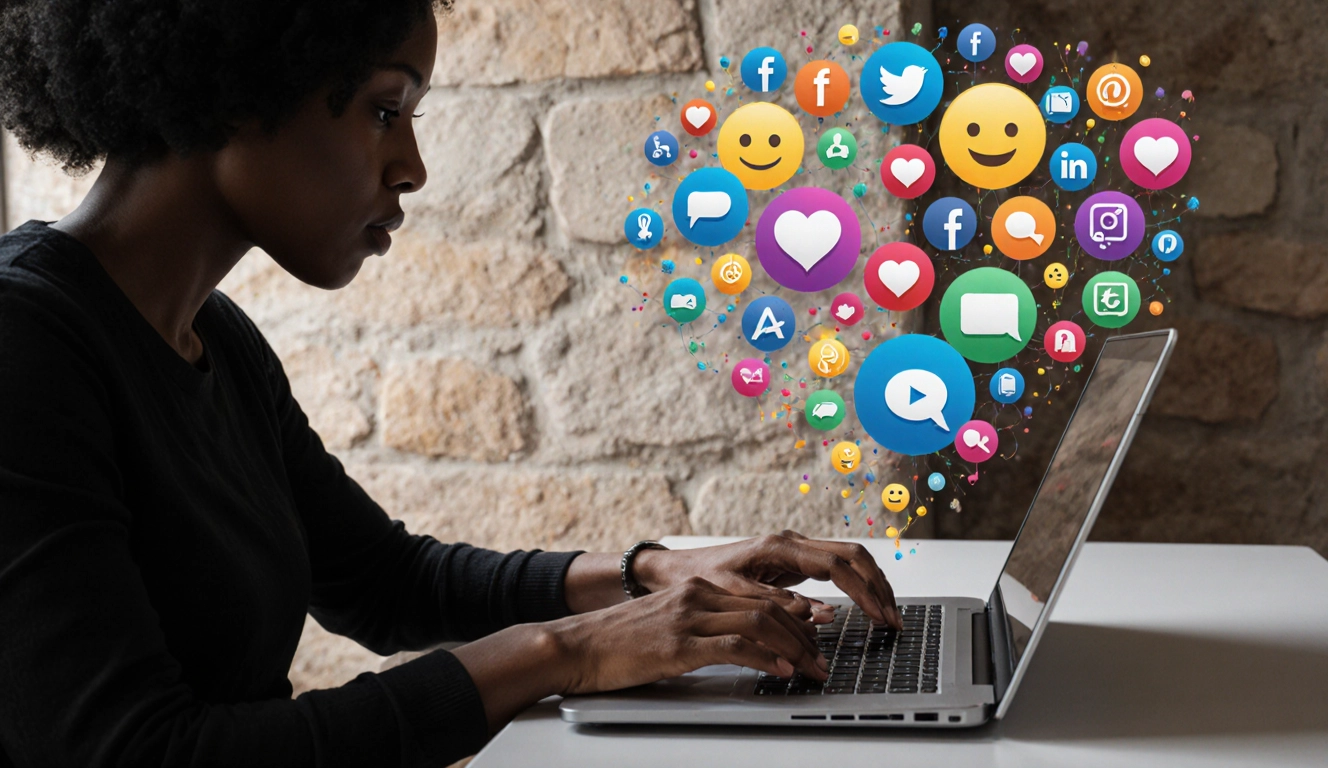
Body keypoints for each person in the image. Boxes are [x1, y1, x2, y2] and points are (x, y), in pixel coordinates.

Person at [0, 2, 901, 766]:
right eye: (385, 110)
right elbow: (135, 753)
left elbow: (387, 581)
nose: (413, 170)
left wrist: (650, 573)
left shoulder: (213, 340)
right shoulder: (24, 345)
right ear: (238, 88)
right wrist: (566, 653)